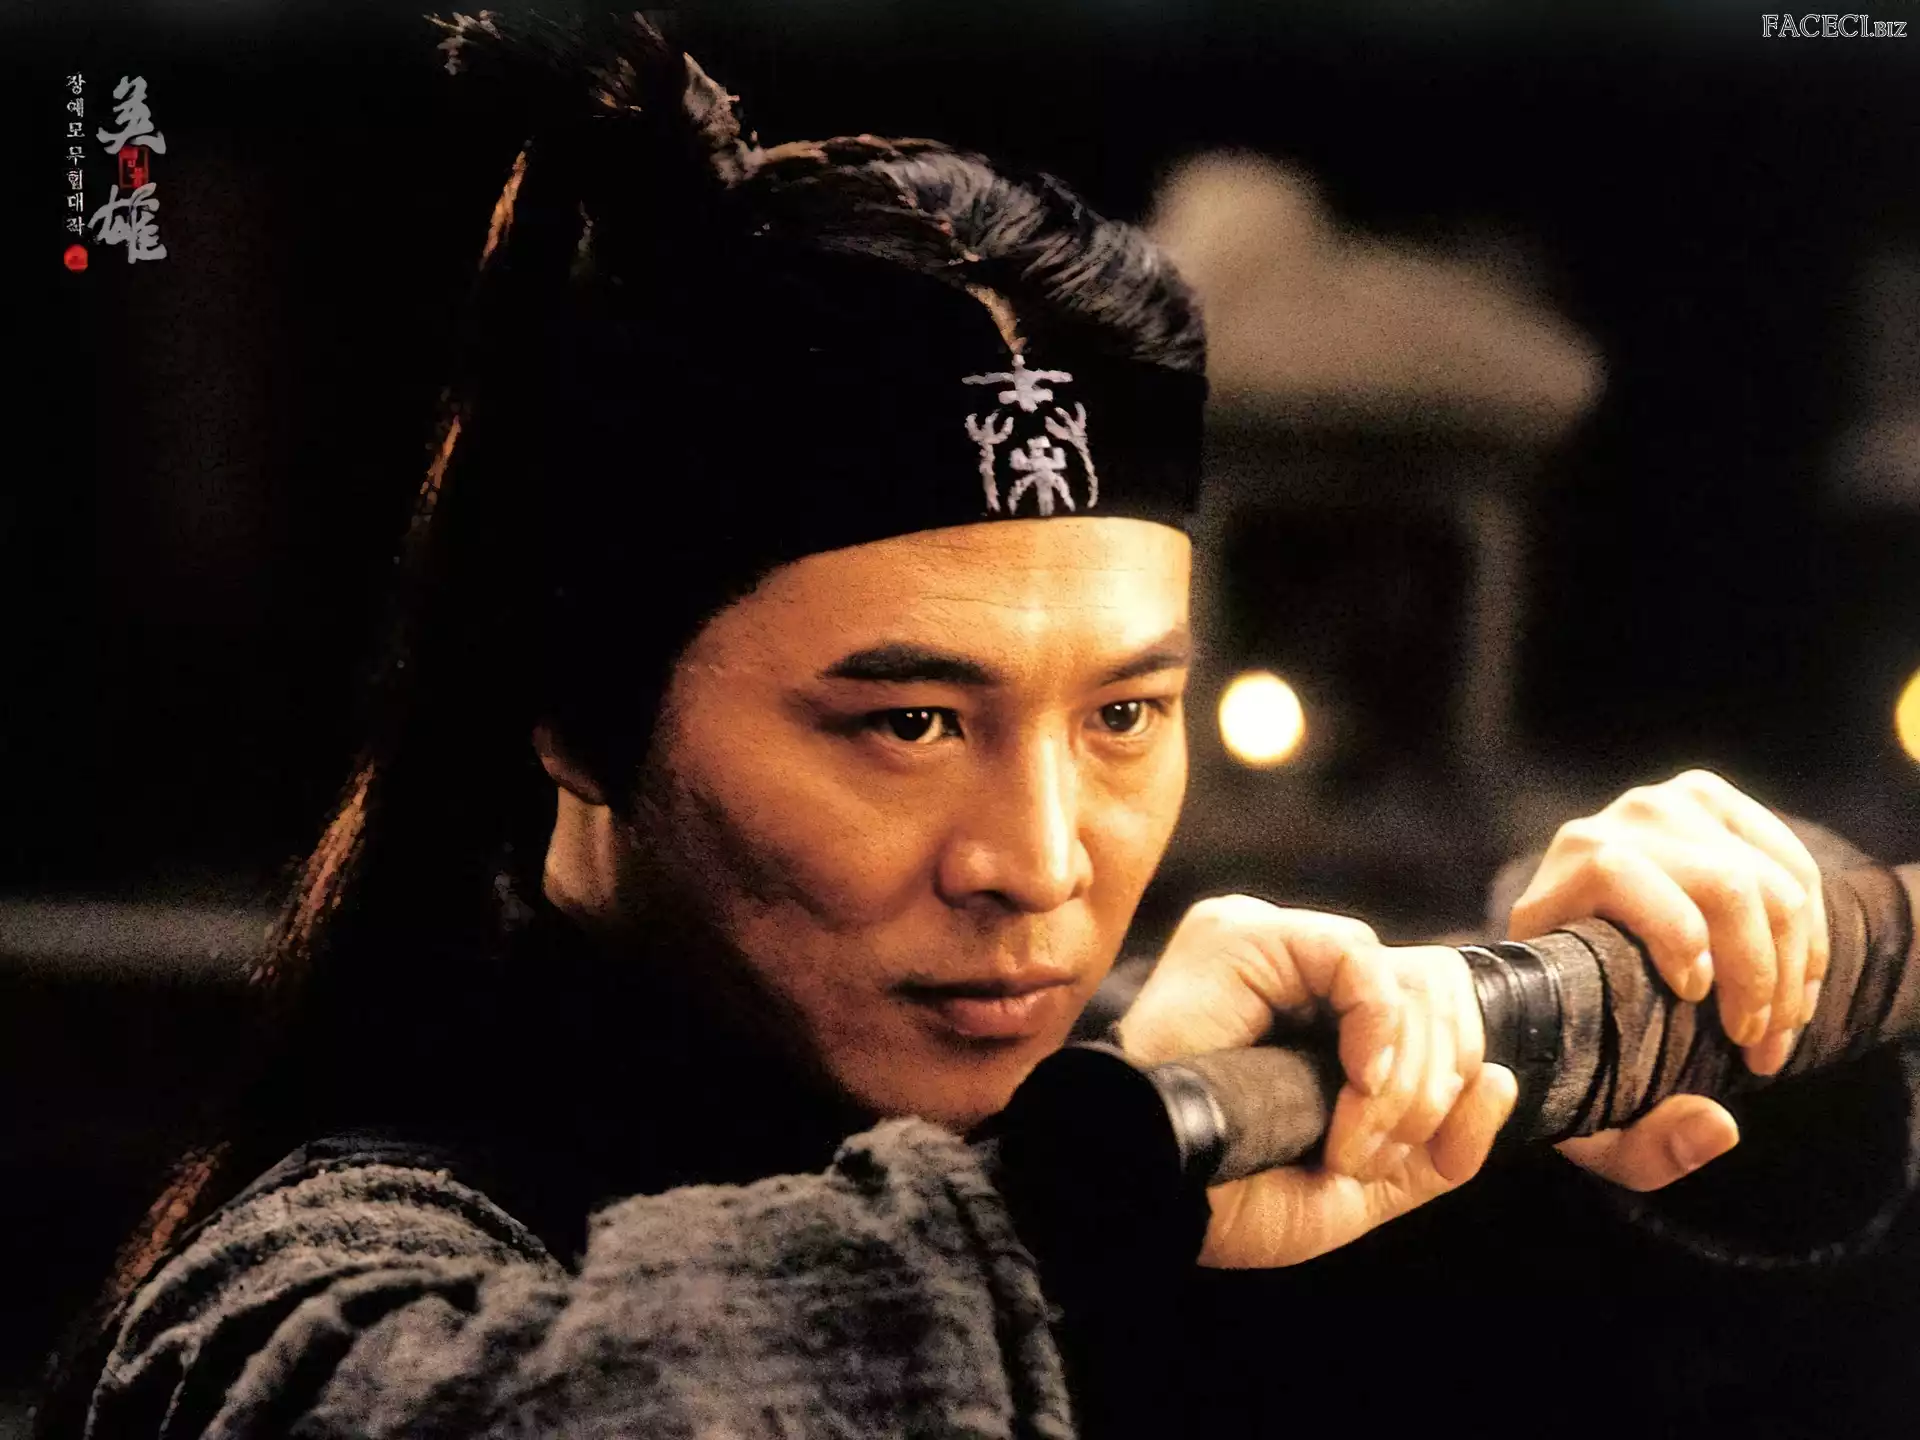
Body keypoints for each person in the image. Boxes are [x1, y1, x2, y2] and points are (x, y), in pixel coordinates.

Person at [36, 14, 1857, 1438]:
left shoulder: (1186, 1128)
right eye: (909, 721)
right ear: (575, 718)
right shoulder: (337, 1272)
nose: (1041, 864)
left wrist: (1724, 997)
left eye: (1126, 711)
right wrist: (1104, 1183)